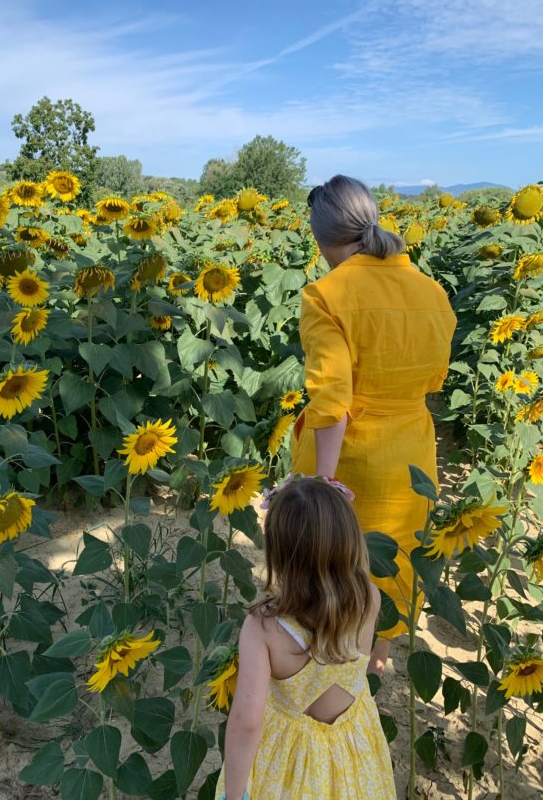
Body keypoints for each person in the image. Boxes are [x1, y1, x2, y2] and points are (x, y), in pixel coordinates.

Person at [291, 174, 456, 676]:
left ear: (320, 239)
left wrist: (324, 482)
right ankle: (380, 652)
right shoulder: (431, 291)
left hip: (350, 456)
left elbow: (332, 399)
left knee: (332, 561)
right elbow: (435, 377)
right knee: (394, 554)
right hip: (411, 449)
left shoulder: (326, 294)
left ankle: (333, 666)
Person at [217, 476, 396, 800]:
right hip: (353, 749)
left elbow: (247, 721)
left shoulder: (264, 628)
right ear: (350, 540)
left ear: (280, 554)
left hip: (289, 760)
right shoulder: (369, 598)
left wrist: (234, 794)